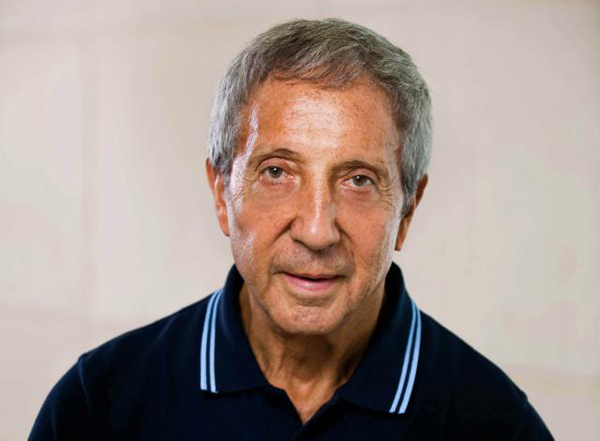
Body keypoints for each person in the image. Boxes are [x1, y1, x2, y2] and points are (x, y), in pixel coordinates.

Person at [29, 18, 553, 440]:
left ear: (408, 211)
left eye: (359, 180)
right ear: (221, 194)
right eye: (277, 172)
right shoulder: (96, 407)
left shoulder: (499, 426)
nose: (317, 232)